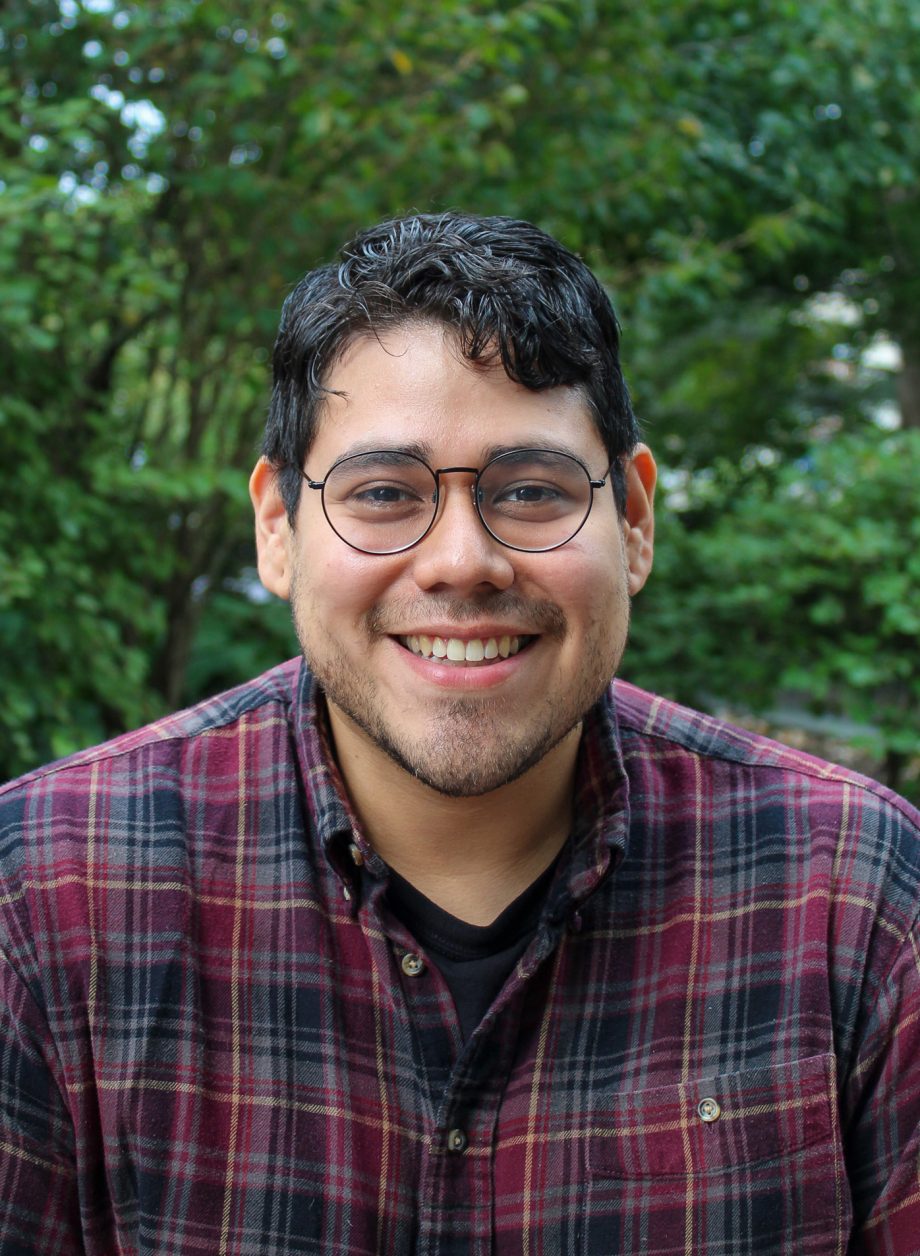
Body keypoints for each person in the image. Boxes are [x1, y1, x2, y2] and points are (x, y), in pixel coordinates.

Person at [1, 212, 918, 1256]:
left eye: (529, 490)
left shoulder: (858, 900)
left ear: (633, 520)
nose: (459, 561)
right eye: (383, 492)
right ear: (276, 528)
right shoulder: (46, 900)